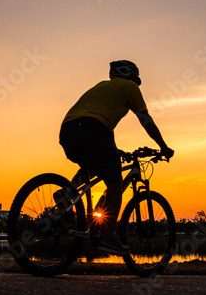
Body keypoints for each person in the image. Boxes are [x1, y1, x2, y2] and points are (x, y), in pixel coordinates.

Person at [58, 60, 174, 254]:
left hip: (68, 130)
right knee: (115, 184)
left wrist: (114, 149)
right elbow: (145, 119)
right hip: (92, 129)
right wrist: (163, 147)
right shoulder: (129, 87)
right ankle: (107, 235)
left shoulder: (102, 86)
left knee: (94, 164)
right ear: (132, 75)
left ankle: (67, 193)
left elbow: (103, 125)